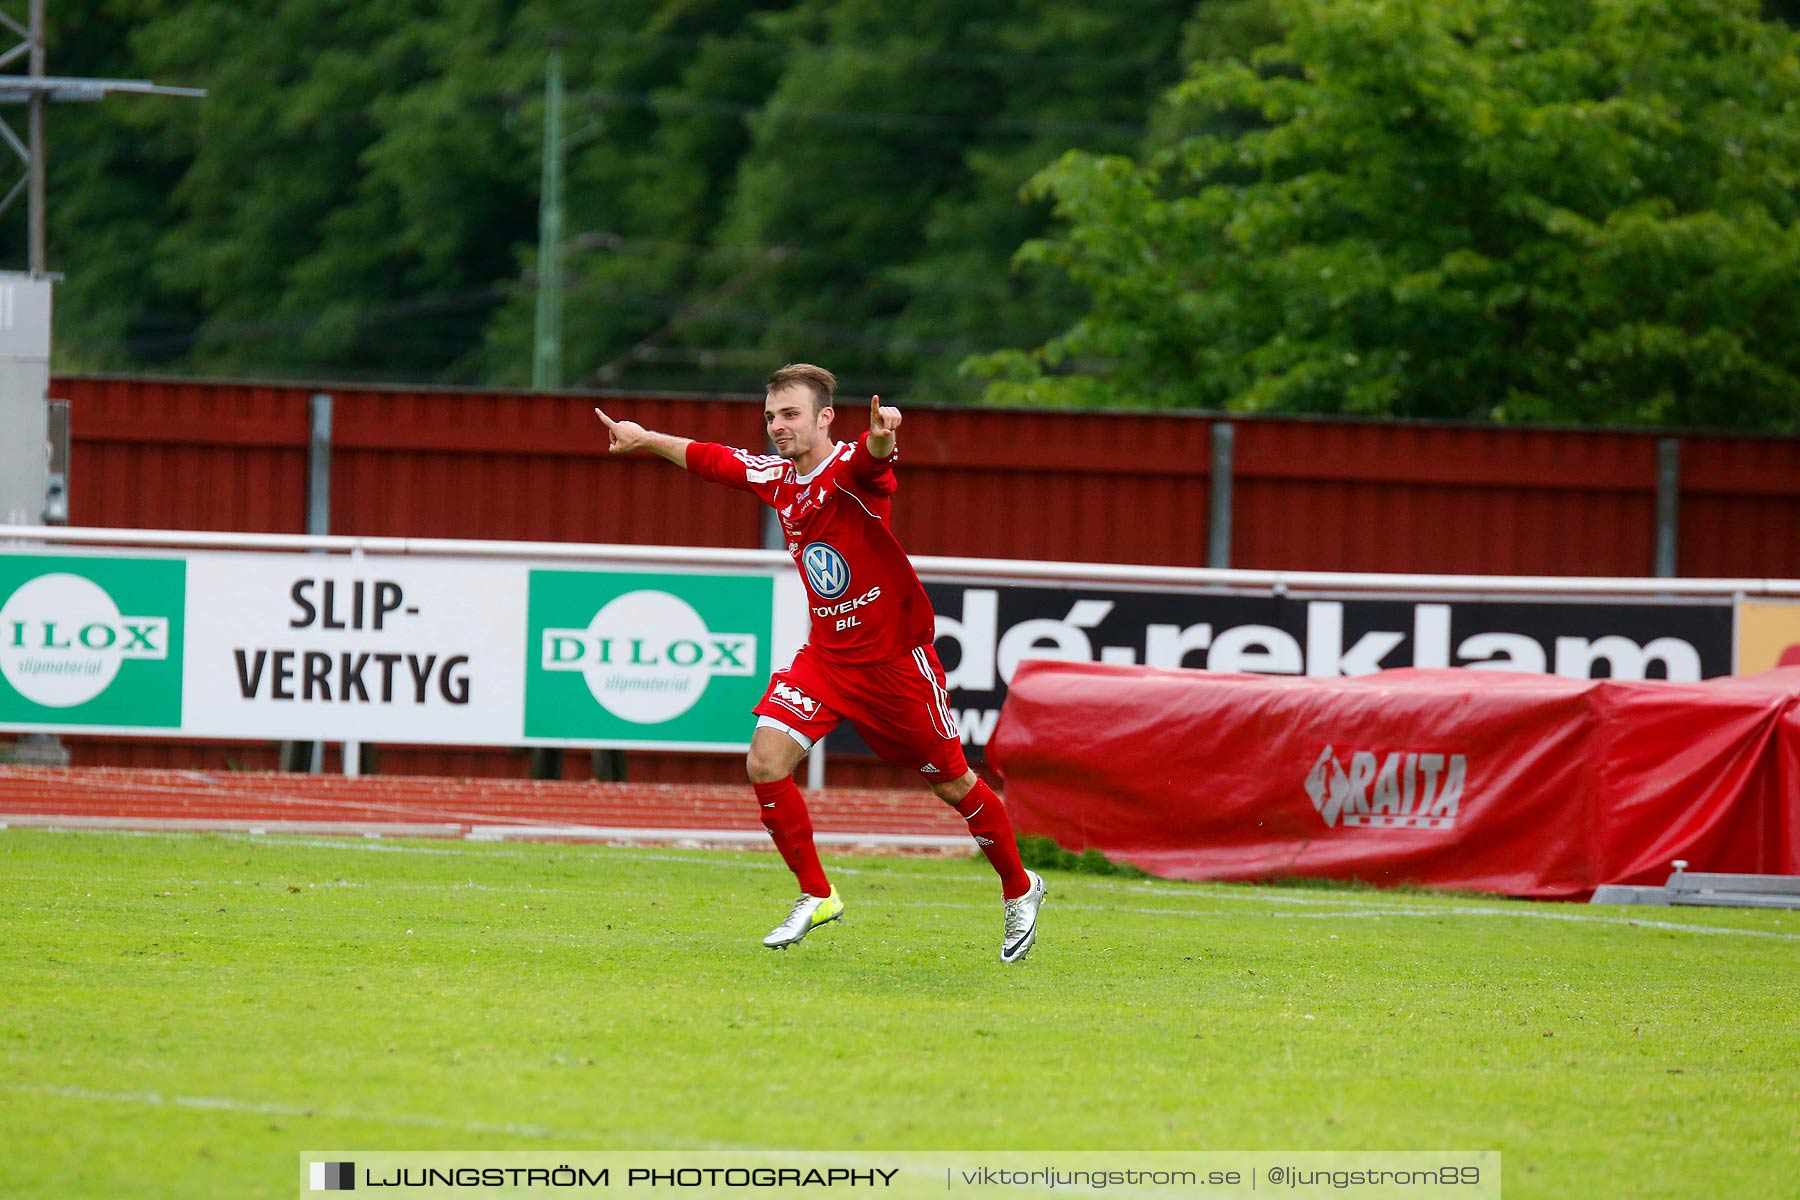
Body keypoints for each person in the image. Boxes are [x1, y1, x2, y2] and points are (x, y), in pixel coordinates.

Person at [594, 363, 1046, 963]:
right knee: (764, 760)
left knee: (952, 782)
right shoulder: (777, 478)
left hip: (893, 663)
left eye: (790, 415)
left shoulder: (851, 471)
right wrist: (646, 437)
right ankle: (817, 892)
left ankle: (1021, 888)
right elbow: (708, 458)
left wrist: (885, 435)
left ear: (825, 417)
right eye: (771, 418)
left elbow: (875, 459)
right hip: (828, 659)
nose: (777, 427)